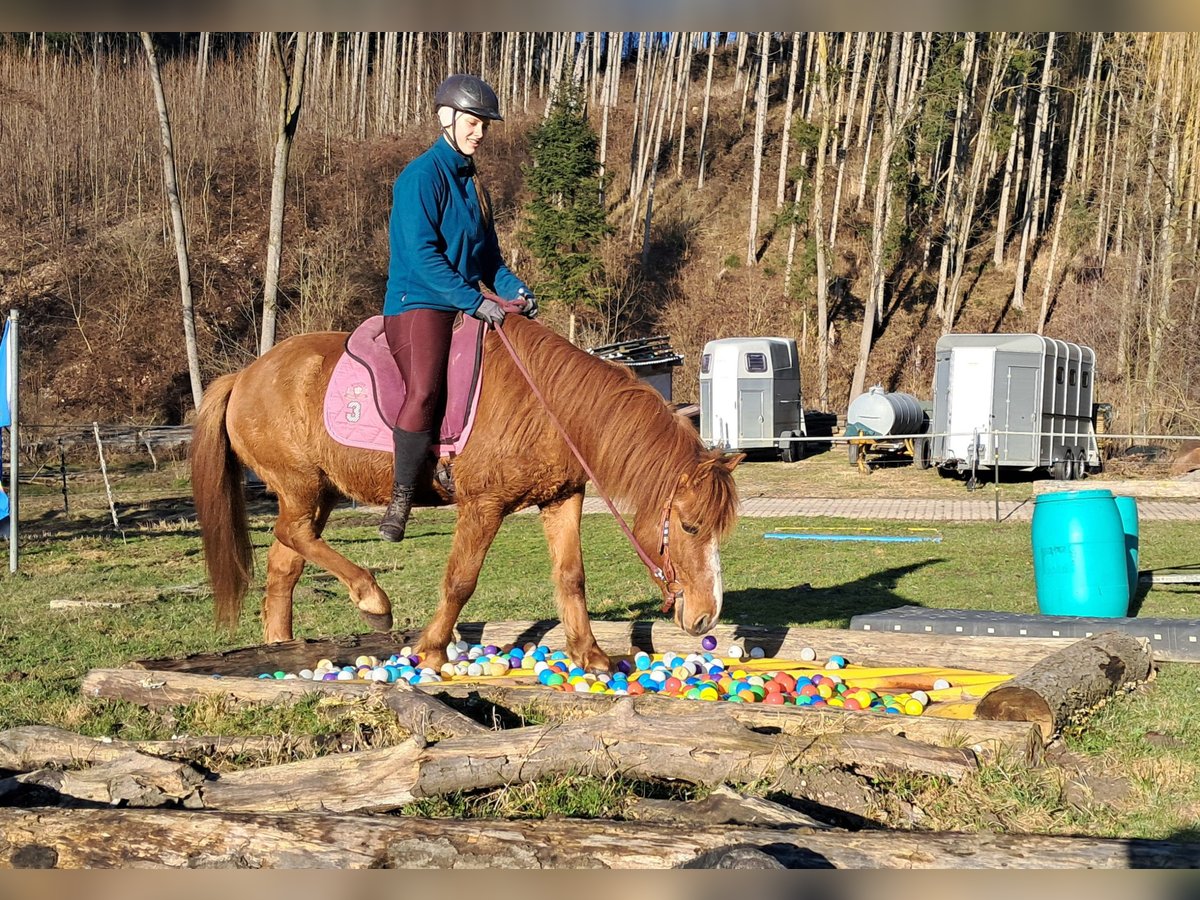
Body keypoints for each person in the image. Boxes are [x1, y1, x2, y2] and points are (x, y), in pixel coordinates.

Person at [379, 73, 537, 542]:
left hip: (467, 303)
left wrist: (517, 292)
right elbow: (422, 256)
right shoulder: (420, 177)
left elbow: (489, 260)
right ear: (446, 117)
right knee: (425, 390)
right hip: (419, 302)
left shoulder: (474, 185)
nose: (480, 132)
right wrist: (474, 300)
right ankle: (402, 496)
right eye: (472, 122)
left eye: (485, 125)